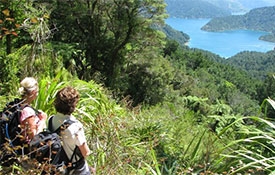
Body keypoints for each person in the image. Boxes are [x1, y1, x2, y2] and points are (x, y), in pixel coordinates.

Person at [49, 86, 91, 175]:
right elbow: (86, 152)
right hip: (74, 168)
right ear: (73, 105)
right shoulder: (75, 126)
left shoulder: (51, 120)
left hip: (56, 164)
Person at [19, 77, 47, 143]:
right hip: (29, 150)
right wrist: (43, 120)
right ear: (33, 92)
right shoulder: (28, 111)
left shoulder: (19, 105)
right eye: (37, 91)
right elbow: (35, 139)